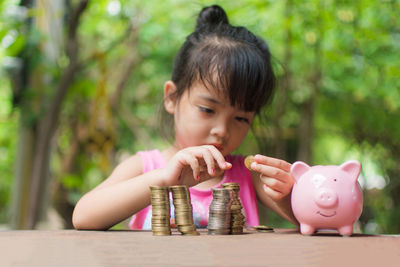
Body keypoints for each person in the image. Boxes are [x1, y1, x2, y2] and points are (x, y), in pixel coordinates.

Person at [72, 5, 298, 230]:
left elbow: (312, 219)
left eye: (241, 118)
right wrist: (164, 179)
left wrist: (287, 194)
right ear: (172, 97)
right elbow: (83, 216)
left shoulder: (248, 176)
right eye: (208, 110)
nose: (222, 130)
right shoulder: (144, 167)